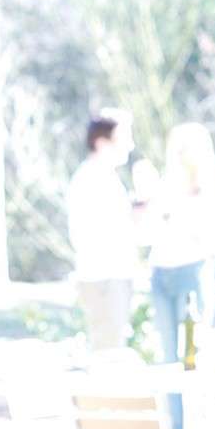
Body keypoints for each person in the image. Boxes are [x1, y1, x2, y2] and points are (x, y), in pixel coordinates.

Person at [146, 123, 215, 429]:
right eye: (178, 148)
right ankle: (176, 424)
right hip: (161, 274)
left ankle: (197, 421)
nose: (182, 155)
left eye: (188, 148)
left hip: (193, 272)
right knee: (167, 354)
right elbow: (148, 233)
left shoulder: (213, 191)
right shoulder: (163, 188)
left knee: (194, 352)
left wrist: (190, 225)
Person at [66, 110, 138, 351]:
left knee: (112, 347)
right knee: (108, 351)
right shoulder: (89, 179)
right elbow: (90, 233)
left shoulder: (106, 177)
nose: (129, 146)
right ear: (101, 142)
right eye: (123, 138)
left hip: (113, 276)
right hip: (103, 278)